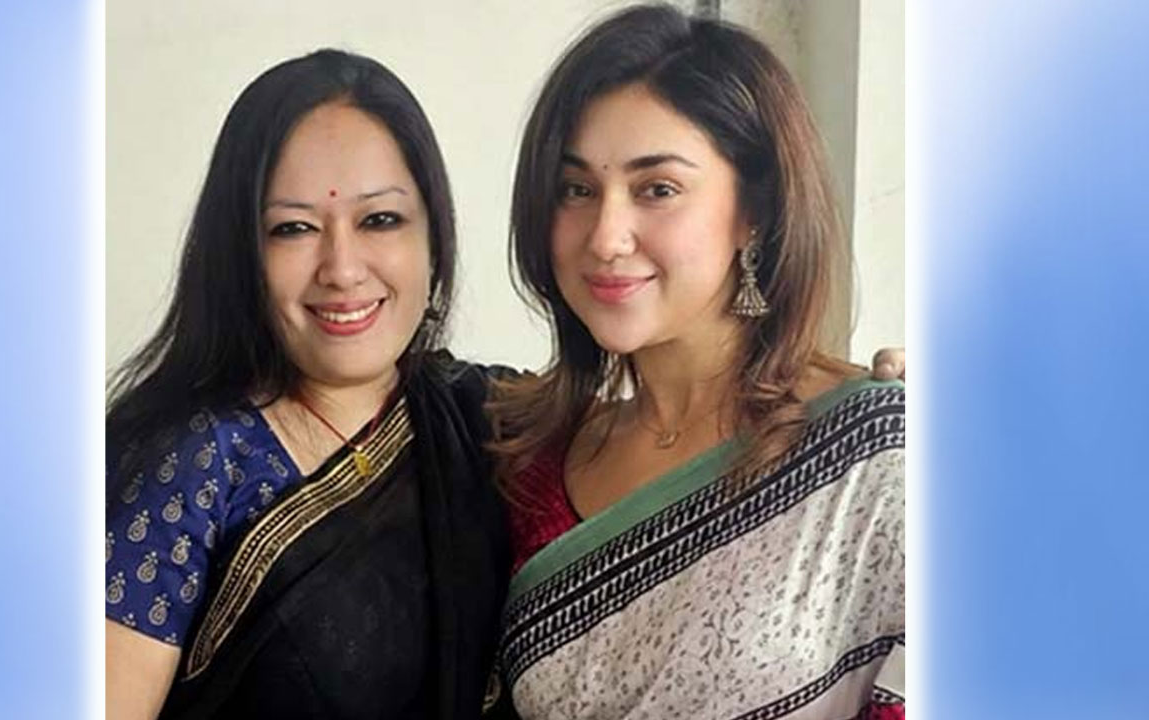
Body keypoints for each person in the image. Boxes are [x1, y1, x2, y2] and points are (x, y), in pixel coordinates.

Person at [488, 5, 905, 719]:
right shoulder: (533, 462)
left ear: (755, 211)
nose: (606, 237)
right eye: (576, 190)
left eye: (658, 189)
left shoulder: (873, 455)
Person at [104, 50, 511, 719]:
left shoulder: (494, 424)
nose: (342, 269)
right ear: (241, 254)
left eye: (380, 220)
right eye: (292, 229)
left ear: (434, 238)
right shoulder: (192, 465)